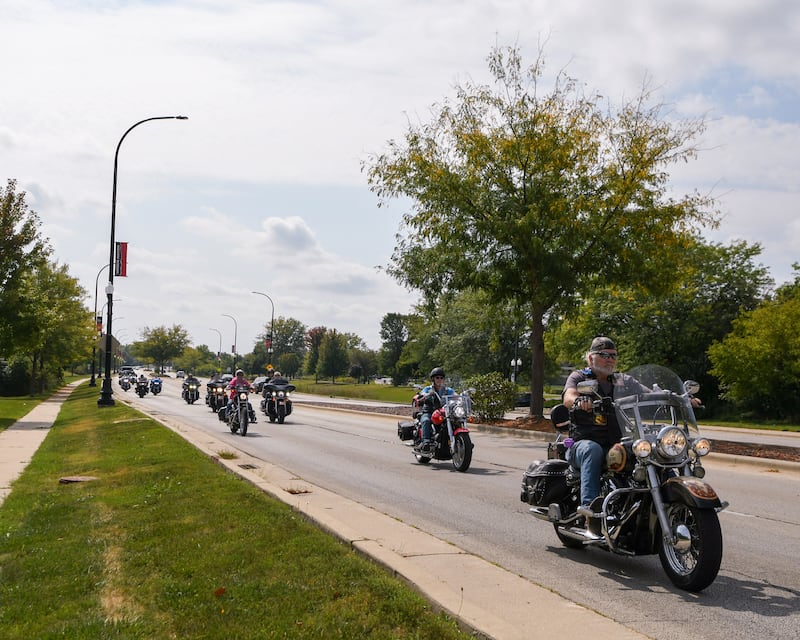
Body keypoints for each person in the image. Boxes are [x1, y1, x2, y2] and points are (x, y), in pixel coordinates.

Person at [563, 336, 700, 533]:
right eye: (604, 355)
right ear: (591, 358)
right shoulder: (579, 378)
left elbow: (650, 394)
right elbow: (569, 396)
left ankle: (669, 497)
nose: (610, 359)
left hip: (617, 442)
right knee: (592, 450)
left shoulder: (623, 380)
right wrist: (578, 400)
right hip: (583, 443)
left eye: (613, 356)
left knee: (652, 451)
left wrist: (680, 399)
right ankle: (590, 510)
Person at [414, 367, 456, 451]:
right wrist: (424, 395)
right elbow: (422, 394)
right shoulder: (428, 389)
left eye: (441, 378)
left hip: (444, 413)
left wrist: (462, 397)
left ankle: (460, 440)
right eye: (437, 377)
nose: (439, 379)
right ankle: (426, 442)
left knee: (456, 420)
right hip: (429, 411)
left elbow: (455, 395)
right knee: (426, 420)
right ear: (433, 379)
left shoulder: (448, 390)